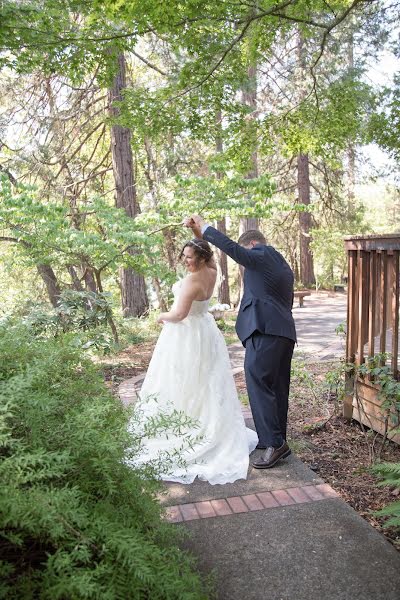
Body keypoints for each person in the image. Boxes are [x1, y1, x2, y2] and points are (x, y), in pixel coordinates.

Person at [127, 238, 258, 485]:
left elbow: (179, 314)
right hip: (205, 331)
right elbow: (213, 262)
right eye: (184, 256)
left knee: (182, 380)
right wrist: (199, 231)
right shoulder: (212, 272)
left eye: (189, 257)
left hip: (185, 336)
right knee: (203, 380)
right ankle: (200, 418)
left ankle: (189, 427)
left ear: (200, 257)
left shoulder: (192, 281)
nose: (185, 260)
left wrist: (160, 317)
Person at [185, 216, 296, 469]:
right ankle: (276, 440)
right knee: (277, 387)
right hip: (282, 333)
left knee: (257, 381)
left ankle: (274, 443)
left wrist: (205, 228)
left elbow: (234, 250)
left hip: (265, 331)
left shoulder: (262, 253)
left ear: (253, 244)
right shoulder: (281, 264)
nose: (246, 265)